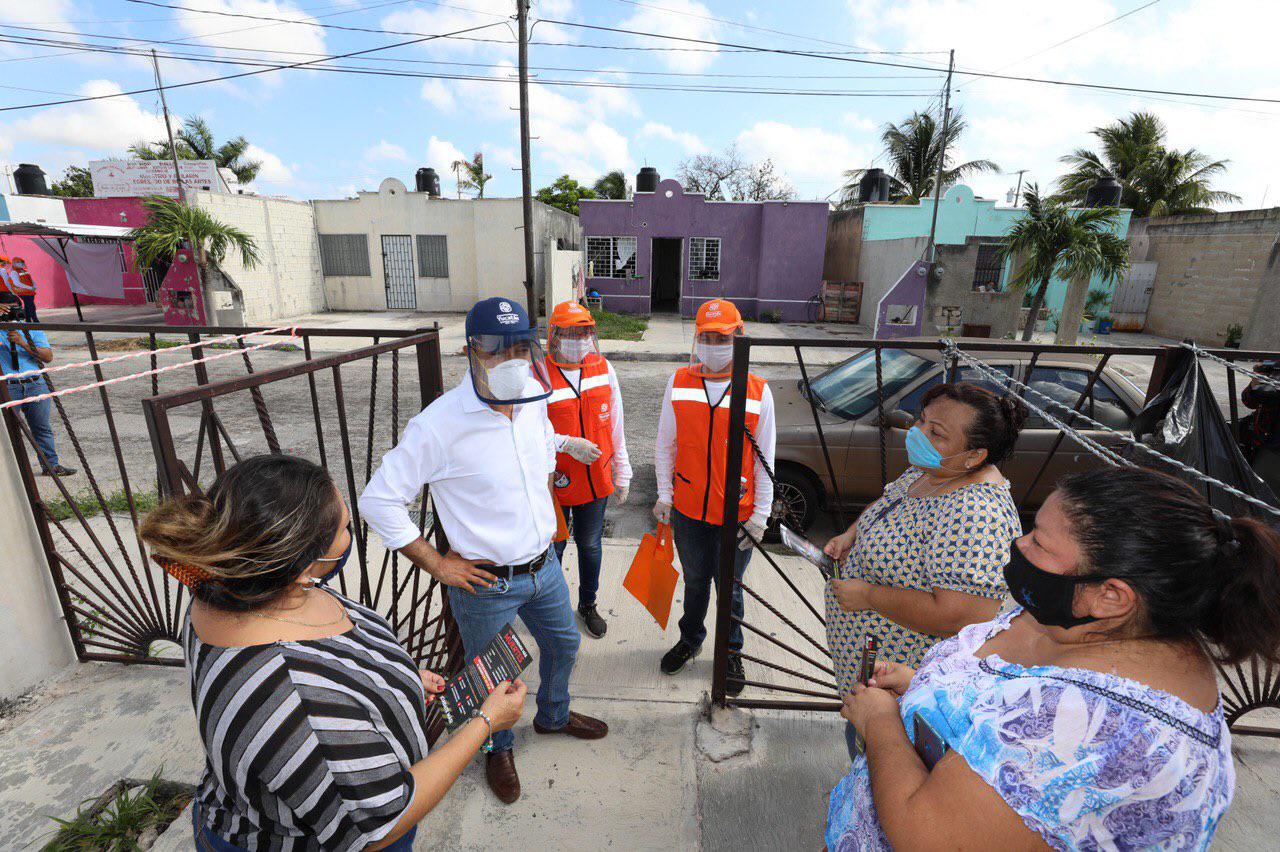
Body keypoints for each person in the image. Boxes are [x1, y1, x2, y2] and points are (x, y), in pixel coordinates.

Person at [828, 466, 1280, 850]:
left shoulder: (1095, 725)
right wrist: (924, 689)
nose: (1019, 545)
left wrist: (881, 722)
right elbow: (996, 716)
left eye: (1040, 543)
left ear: (1111, 595)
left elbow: (922, 833)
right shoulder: (1085, 622)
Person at [139, 454, 528, 851]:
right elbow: (380, 827)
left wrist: (399, 681)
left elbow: (337, 660)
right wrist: (485, 721)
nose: (351, 530)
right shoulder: (298, 704)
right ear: (304, 561)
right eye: (344, 527)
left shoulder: (240, 588)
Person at [360, 297, 607, 806]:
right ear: (473, 351)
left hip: (545, 567)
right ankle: (497, 746)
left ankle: (554, 716)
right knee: (493, 680)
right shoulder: (440, 425)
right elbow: (378, 500)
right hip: (485, 582)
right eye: (500, 350)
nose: (515, 360)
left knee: (564, 647)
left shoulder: (533, 398)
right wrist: (436, 562)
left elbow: (527, 446)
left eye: (522, 347)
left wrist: (563, 443)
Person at [823, 382, 1023, 759]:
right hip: (869, 673)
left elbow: (962, 613)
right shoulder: (933, 470)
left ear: (973, 456)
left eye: (936, 432)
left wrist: (866, 595)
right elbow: (891, 501)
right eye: (922, 420)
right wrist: (853, 534)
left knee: (878, 771)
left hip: (902, 693)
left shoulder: (976, 514)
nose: (918, 433)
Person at [653, 298, 775, 695]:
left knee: (731, 587)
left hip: (736, 514)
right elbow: (665, 445)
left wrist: (760, 515)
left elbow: (765, 459)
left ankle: (731, 650)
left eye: (722, 337)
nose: (713, 344)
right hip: (689, 510)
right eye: (706, 336)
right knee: (695, 582)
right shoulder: (680, 381)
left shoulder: (758, 392)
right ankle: (691, 639)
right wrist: (664, 494)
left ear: (738, 337)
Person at [545, 300, 632, 639]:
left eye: (584, 333)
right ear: (555, 335)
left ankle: (587, 604)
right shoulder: (540, 376)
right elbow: (529, 430)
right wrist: (565, 443)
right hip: (556, 480)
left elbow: (616, 426)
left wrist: (622, 472)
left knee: (590, 545)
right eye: (571, 332)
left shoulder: (603, 369)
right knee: (554, 547)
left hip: (596, 478)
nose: (579, 339)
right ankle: (551, 608)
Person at [0, 295, 74, 476]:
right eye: (8, 310)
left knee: (42, 428)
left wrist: (23, 343)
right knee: (7, 431)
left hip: (35, 384)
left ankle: (51, 466)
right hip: (8, 386)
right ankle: (11, 474)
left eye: (16, 309)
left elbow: (47, 356)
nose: (14, 314)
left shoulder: (30, 329)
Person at [6, 256, 38, 322]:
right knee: (31, 306)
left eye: (22, 262)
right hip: (23, 292)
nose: (21, 263)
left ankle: (28, 320)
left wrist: (34, 286)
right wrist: (30, 287)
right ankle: (36, 321)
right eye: (19, 262)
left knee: (28, 306)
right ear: (14, 263)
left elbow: (31, 280)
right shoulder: (14, 272)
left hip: (30, 292)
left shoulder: (24, 271)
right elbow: (16, 283)